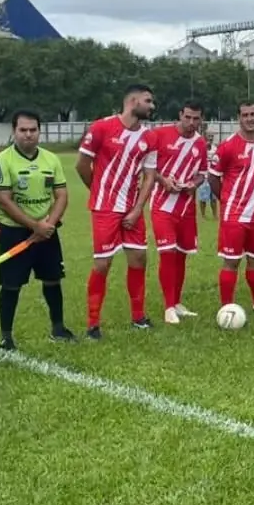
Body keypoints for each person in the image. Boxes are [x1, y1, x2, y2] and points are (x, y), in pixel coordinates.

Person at [75, 84, 158, 338]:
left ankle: (138, 316)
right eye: (148, 101)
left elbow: (149, 176)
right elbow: (82, 165)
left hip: (132, 210)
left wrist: (137, 210)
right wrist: (99, 192)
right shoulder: (101, 127)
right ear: (132, 101)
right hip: (105, 209)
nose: (152, 106)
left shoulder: (149, 137)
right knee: (102, 264)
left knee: (139, 260)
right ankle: (92, 324)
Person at [0, 110, 73, 349]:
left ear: (39, 131)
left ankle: (58, 328)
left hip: (47, 232)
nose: (28, 135)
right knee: (11, 284)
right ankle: (6, 336)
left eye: (33, 130)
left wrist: (48, 225)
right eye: (23, 130)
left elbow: (62, 195)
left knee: (53, 280)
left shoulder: (51, 159)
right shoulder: (2, 161)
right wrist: (33, 225)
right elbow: (4, 200)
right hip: (15, 232)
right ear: (14, 131)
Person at [210, 102, 254, 314]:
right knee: (232, 261)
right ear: (239, 118)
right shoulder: (228, 146)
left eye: (253, 114)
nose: (249, 118)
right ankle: (226, 307)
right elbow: (213, 177)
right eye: (245, 115)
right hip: (235, 215)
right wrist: (227, 200)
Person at [149, 102, 206, 324]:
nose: (191, 123)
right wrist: (163, 180)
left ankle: (177, 302)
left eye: (196, 119)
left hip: (186, 207)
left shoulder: (200, 143)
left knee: (181, 255)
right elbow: (148, 166)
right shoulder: (160, 134)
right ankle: (168, 307)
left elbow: (202, 173)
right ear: (180, 115)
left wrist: (194, 183)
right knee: (168, 252)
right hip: (162, 205)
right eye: (188, 117)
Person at [197, 134, 217, 219]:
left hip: (213, 176)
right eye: (209, 136)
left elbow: (217, 161)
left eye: (212, 137)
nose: (211, 138)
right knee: (203, 197)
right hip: (203, 177)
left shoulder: (215, 148)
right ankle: (203, 215)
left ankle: (215, 215)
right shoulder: (201, 148)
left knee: (214, 197)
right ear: (205, 138)